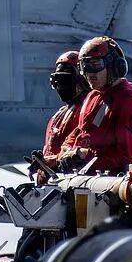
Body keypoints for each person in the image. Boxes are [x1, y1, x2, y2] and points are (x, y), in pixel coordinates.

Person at [59, 36, 132, 174]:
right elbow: (79, 132)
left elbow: (129, 154)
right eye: (84, 66)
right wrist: (67, 151)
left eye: (95, 65)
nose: (89, 73)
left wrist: (84, 155)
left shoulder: (127, 98)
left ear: (114, 65)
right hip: (86, 175)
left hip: (110, 179)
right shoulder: (93, 95)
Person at [34, 51, 89, 184]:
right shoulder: (58, 117)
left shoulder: (88, 112)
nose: (60, 87)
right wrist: (41, 163)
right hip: (49, 186)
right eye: (56, 81)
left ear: (82, 80)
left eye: (65, 81)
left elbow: (85, 152)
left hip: (72, 184)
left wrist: (53, 160)